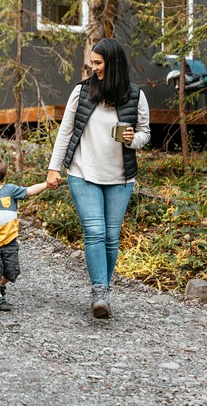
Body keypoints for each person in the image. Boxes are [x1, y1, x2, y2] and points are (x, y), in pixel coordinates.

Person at [46, 38, 150, 319]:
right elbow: (66, 132)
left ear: (113, 64)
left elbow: (145, 133)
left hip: (120, 178)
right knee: (95, 232)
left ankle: (103, 287)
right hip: (82, 172)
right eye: (93, 62)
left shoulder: (135, 95)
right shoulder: (81, 92)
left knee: (111, 237)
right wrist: (53, 168)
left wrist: (133, 139)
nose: (94, 68)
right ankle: (100, 291)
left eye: (98, 63)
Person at [0, 157, 49, 311]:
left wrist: (47, 184)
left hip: (9, 241)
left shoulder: (11, 190)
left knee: (12, 271)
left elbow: (30, 190)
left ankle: (0, 286)